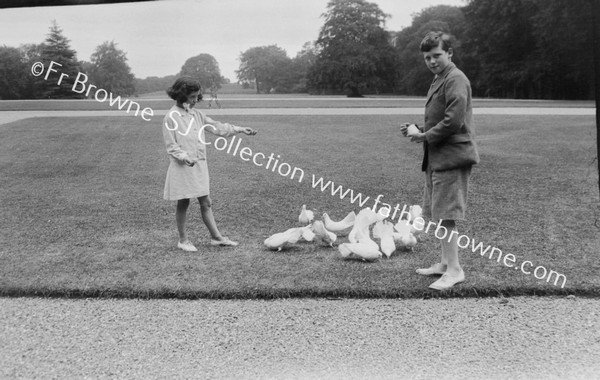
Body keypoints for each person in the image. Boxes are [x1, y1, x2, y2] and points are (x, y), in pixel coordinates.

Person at [400, 31, 480, 290]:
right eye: (427, 58)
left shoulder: (455, 78)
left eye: (437, 56)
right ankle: (445, 264)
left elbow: (453, 122)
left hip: (452, 158)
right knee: (439, 213)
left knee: (446, 216)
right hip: (438, 157)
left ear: (450, 54)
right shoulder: (440, 78)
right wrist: (416, 127)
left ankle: (455, 270)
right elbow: (439, 118)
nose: (432, 61)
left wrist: (422, 135)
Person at [163, 77, 257, 251]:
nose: (195, 101)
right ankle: (183, 240)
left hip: (199, 165)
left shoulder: (196, 114)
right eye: (192, 97)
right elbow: (171, 146)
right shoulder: (171, 117)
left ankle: (216, 237)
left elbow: (216, 126)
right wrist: (184, 157)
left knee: (206, 201)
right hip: (182, 166)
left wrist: (239, 129)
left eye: (196, 97)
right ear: (181, 95)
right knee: (183, 203)